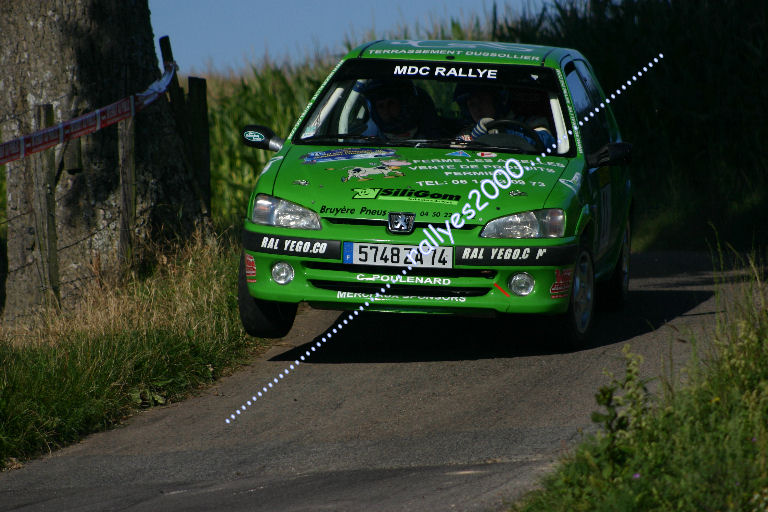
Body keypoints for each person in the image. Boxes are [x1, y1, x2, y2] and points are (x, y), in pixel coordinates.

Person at [453, 84, 555, 149]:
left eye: (482, 101)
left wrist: (504, 132)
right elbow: (455, 153)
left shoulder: (531, 122)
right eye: (472, 104)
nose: (477, 108)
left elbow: (546, 142)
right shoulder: (467, 132)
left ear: (496, 101)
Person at [356, 79, 439, 140]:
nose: (386, 110)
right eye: (381, 106)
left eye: (391, 103)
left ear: (405, 105)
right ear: (375, 111)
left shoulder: (432, 138)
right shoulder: (366, 139)